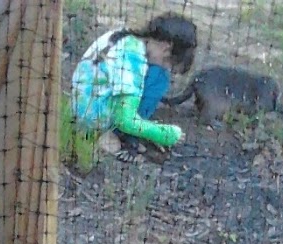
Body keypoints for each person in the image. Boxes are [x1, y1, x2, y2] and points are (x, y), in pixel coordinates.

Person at [72, 14, 197, 158]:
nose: (166, 68)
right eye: (168, 63)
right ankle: (107, 134)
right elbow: (125, 120)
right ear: (166, 47)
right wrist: (163, 133)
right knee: (159, 79)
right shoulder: (134, 60)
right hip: (91, 117)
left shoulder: (125, 36)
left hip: (81, 101)